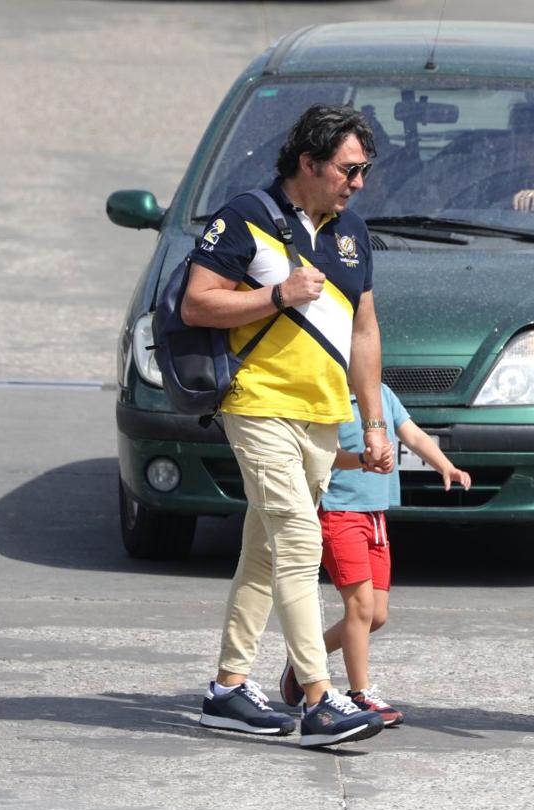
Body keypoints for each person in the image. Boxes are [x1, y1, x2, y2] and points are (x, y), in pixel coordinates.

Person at [184, 104, 395, 748]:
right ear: (309, 163)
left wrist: (375, 421)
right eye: (348, 169)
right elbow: (198, 302)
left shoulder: (352, 231)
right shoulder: (247, 217)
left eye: (364, 170)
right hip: (257, 403)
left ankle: (227, 688)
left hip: (321, 415)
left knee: (265, 547)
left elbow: (364, 332)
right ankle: (317, 698)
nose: (358, 182)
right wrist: (277, 294)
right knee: (301, 543)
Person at [277, 383, 472, 725]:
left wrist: (445, 465)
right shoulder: (328, 392)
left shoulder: (382, 394)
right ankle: (360, 693)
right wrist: (363, 460)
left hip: (376, 516)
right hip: (339, 514)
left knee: (377, 615)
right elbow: (325, 454)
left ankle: (305, 661)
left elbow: (412, 434)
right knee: (360, 608)